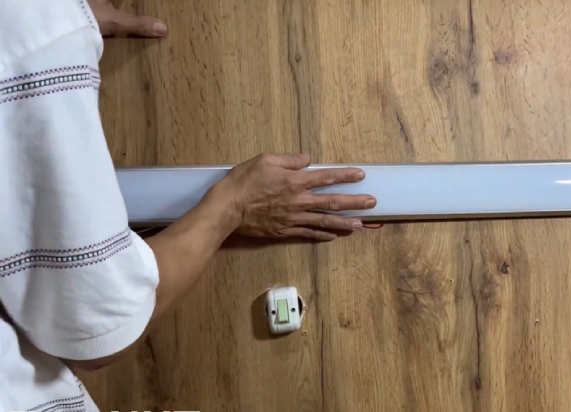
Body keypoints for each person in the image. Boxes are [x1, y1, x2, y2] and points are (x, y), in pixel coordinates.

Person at [0, 1, 376, 411]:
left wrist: (57, 36)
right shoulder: (33, 34)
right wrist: (232, 205)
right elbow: (95, 325)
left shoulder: (34, 34)